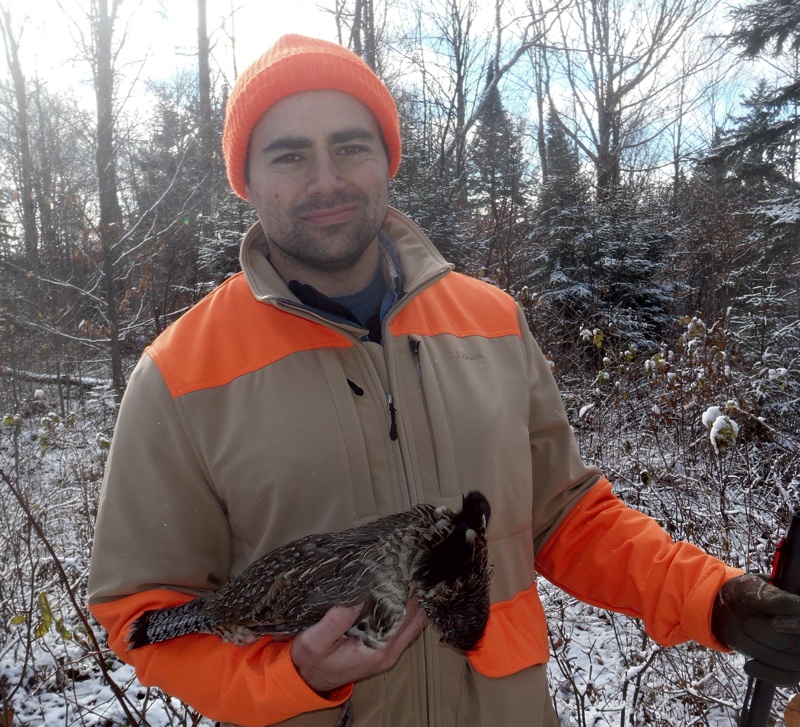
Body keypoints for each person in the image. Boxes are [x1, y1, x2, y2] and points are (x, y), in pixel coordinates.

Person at [87, 34, 800, 727]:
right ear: (249, 179)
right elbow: (142, 615)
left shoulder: (490, 320)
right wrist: (291, 678)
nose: (327, 179)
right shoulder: (180, 373)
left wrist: (714, 599)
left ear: (386, 159)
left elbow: (566, 518)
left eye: (350, 146)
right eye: (290, 154)